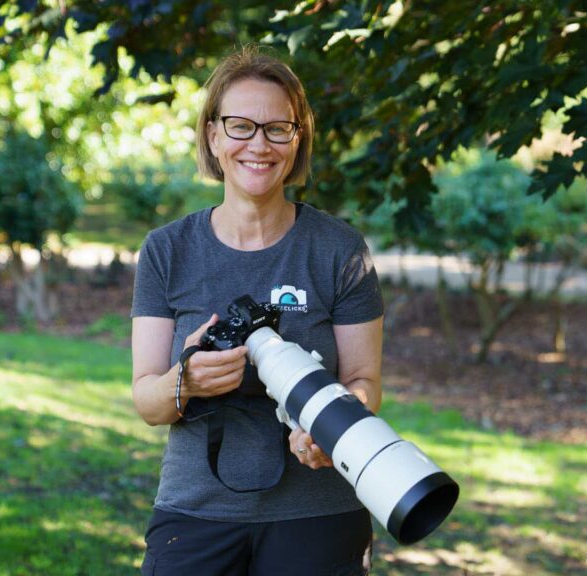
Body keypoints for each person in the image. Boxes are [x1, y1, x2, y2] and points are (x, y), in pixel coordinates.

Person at [130, 45, 384, 575]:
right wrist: (188, 380)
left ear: (297, 140)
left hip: (321, 510)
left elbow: (365, 381)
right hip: (196, 511)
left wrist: (331, 428)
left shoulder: (339, 249)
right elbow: (148, 403)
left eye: (278, 128)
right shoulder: (167, 250)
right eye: (241, 126)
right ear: (213, 135)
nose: (259, 145)